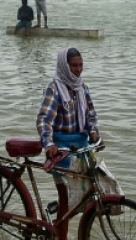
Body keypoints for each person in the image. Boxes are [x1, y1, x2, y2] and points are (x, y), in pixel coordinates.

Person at [36, 47, 100, 240]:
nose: (78, 70)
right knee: (65, 198)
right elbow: (44, 120)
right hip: (61, 151)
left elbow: (90, 116)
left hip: (81, 148)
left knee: (87, 196)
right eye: (73, 66)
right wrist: (49, 144)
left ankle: (63, 227)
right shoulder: (54, 88)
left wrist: (93, 132)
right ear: (64, 66)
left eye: (80, 65)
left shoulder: (82, 88)